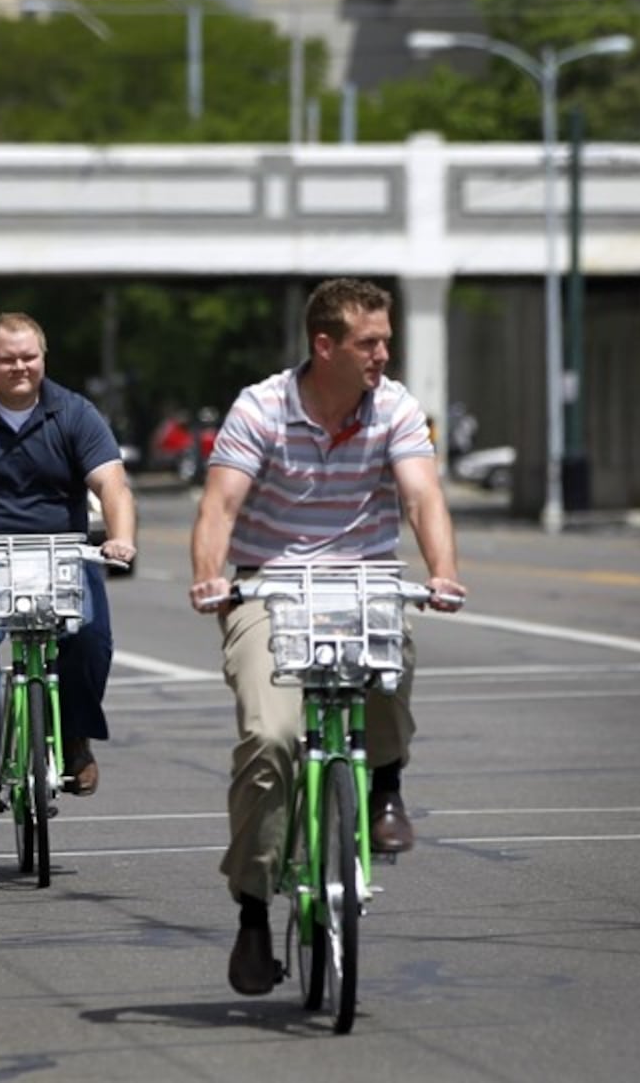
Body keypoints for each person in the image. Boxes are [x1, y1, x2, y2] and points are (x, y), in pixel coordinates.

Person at [187, 278, 467, 997]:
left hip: (363, 584)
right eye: (368, 342)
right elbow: (219, 505)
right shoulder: (261, 407)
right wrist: (210, 577)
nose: (383, 354)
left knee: (391, 649)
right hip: (268, 589)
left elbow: (421, 495)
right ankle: (253, 913)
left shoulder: (396, 407)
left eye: (386, 340)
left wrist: (443, 573)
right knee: (271, 739)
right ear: (325, 345)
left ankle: (384, 787)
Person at [0, 312, 137, 814]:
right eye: (7, 358)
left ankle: (76, 736)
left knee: (89, 635)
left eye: (29, 357)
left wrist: (121, 538)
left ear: (43, 357)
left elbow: (112, 484)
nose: (20, 366)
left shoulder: (75, 411)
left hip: (62, 553)